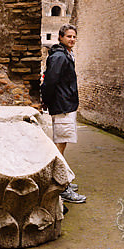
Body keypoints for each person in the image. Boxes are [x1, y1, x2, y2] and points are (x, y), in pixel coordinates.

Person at [41, 24, 87, 204]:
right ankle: (60, 187)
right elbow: (50, 82)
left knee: (62, 144)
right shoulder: (60, 56)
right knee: (59, 147)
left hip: (65, 105)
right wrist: (48, 100)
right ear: (60, 37)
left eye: (74, 37)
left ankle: (62, 181)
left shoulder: (64, 54)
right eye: (69, 36)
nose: (72, 39)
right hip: (63, 106)